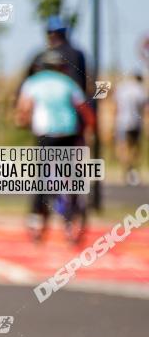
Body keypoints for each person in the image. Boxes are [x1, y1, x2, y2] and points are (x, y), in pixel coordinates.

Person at [16, 50, 96, 243]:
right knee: (70, 174)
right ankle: (72, 216)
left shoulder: (33, 82)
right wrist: (91, 129)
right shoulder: (68, 83)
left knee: (43, 178)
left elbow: (23, 110)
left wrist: (23, 121)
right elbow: (85, 110)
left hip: (47, 135)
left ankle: (38, 221)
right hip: (69, 133)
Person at [25, 16, 88, 95]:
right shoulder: (77, 54)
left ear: (52, 34)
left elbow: (28, 85)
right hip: (74, 102)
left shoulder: (41, 56)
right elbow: (83, 85)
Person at [112, 72, 147, 185]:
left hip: (122, 123)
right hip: (136, 123)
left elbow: (116, 107)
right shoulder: (140, 91)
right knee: (135, 148)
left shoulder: (122, 89)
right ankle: (132, 170)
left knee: (123, 147)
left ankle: (127, 170)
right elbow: (144, 109)